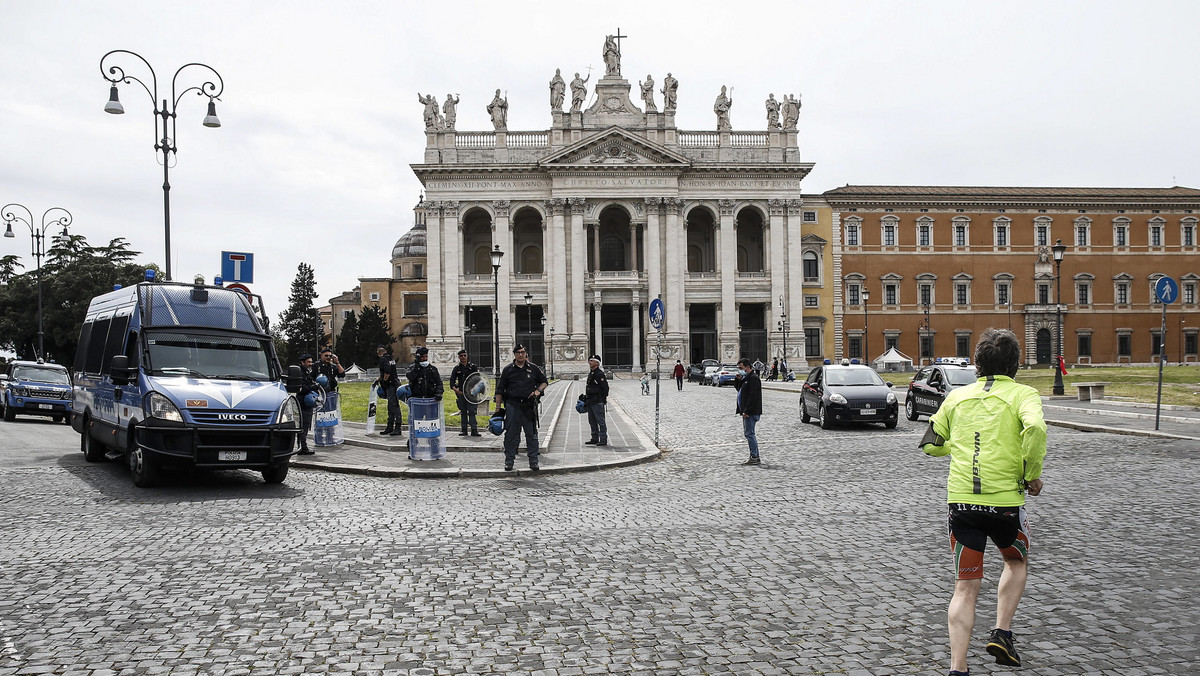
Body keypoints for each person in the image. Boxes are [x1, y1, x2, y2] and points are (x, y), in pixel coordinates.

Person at [920, 328, 1046, 675]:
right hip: (1005, 503)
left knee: (965, 586)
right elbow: (1034, 429)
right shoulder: (1024, 395)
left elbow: (930, 443)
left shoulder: (957, 397)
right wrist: (1030, 473)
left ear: (976, 364)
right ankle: (1002, 632)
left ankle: (958, 667)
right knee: (1016, 562)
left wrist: (955, 447)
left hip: (962, 505)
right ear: (1016, 364)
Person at [495, 344, 548, 471]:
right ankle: (509, 461)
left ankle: (534, 461)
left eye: (523, 352)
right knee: (511, 435)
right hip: (512, 405)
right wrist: (497, 408)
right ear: (514, 354)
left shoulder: (533, 368)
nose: (520, 354)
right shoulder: (508, 370)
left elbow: (544, 382)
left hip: (528, 406)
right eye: (518, 352)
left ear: (525, 353)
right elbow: (500, 390)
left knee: (531, 434)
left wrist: (537, 391)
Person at [733, 357, 762, 465]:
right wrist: (738, 380)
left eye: (741, 368)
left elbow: (753, 397)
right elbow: (740, 390)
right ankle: (754, 455)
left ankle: (754, 456)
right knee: (749, 434)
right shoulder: (746, 378)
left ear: (747, 367)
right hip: (747, 411)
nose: (739, 370)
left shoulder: (753, 379)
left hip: (751, 412)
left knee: (749, 434)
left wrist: (747, 411)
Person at [449, 349, 481, 436]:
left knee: (472, 411)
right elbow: (452, 383)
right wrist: (457, 391)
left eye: (464, 355)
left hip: (472, 393)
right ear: (459, 357)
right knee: (463, 411)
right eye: (461, 356)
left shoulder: (473, 367)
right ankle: (464, 430)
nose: (463, 357)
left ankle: (474, 430)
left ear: (467, 356)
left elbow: (478, 379)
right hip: (462, 393)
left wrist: (475, 390)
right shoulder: (457, 368)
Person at [376, 344, 402, 437]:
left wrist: (384, 380)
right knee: (391, 405)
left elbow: (387, 371)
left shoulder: (383, 359)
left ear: (379, 353)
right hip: (395, 383)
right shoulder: (390, 358)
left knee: (393, 406)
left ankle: (397, 428)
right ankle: (390, 427)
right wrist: (378, 379)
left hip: (391, 385)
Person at [584, 355, 609, 446]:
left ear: (597, 363)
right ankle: (594, 438)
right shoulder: (592, 373)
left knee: (600, 421)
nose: (589, 362)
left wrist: (603, 399)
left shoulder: (599, 374)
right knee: (592, 421)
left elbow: (605, 388)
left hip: (597, 401)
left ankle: (603, 439)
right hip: (590, 401)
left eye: (591, 361)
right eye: (589, 360)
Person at [295, 354, 316, 454]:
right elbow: (301, 388)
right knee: (303, 426)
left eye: (311, 362)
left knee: (305, 426)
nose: (310, 364)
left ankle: (302, 447)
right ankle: (302, 448)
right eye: (308, 362)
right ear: (302, 362)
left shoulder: (306, 372)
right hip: (303, 402)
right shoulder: (300, 373)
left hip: (307, 402)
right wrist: (312, 387)